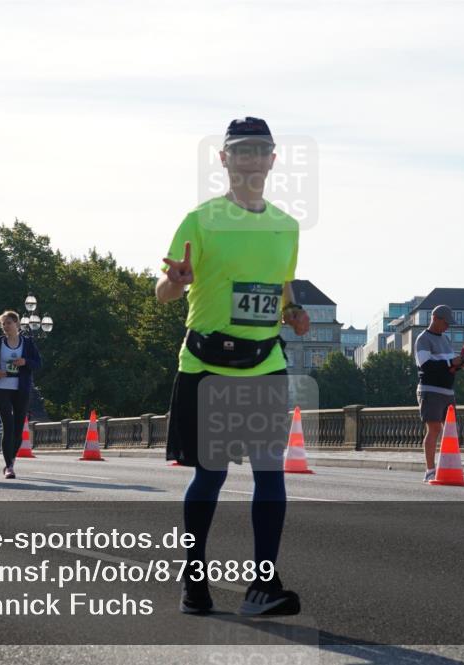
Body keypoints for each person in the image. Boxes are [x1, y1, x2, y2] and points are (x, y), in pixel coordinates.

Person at [156, 117, 310, 617]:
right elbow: (164, 292)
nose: (250, 158)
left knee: (271, 475)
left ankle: (262, 586)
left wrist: (293, 313)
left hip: (264, 364)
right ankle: (194, 581)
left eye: (259, 149)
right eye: (240, 150)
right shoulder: (200, 220)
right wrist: (176, 284)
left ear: (272, 160)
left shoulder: (287, 227)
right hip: (206, 364)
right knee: (211, 475)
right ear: (224, 159)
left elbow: (281, 290)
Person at [0, 310, 42, 479]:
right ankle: (9, 466)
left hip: (21, 389)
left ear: (17, 324)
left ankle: (12, 459)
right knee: (8, 426)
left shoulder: (28, 343)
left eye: (9, 323)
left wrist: (25, 362)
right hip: (2, 388)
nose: (6, 326)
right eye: (3, 324)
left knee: (17, 429)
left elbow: (38, 363)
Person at [415, 304, 464, 482]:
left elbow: (447, 367)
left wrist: (458, 365)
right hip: (430, 390)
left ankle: (447, 466)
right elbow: (426, 367)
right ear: (435, 318)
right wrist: (450, 364)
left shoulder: (445, 339)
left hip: (447, 391)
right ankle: (430, 470)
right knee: (435, 429)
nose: (448, 326)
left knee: (452, 430)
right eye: (446, 323)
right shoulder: (423, 339)